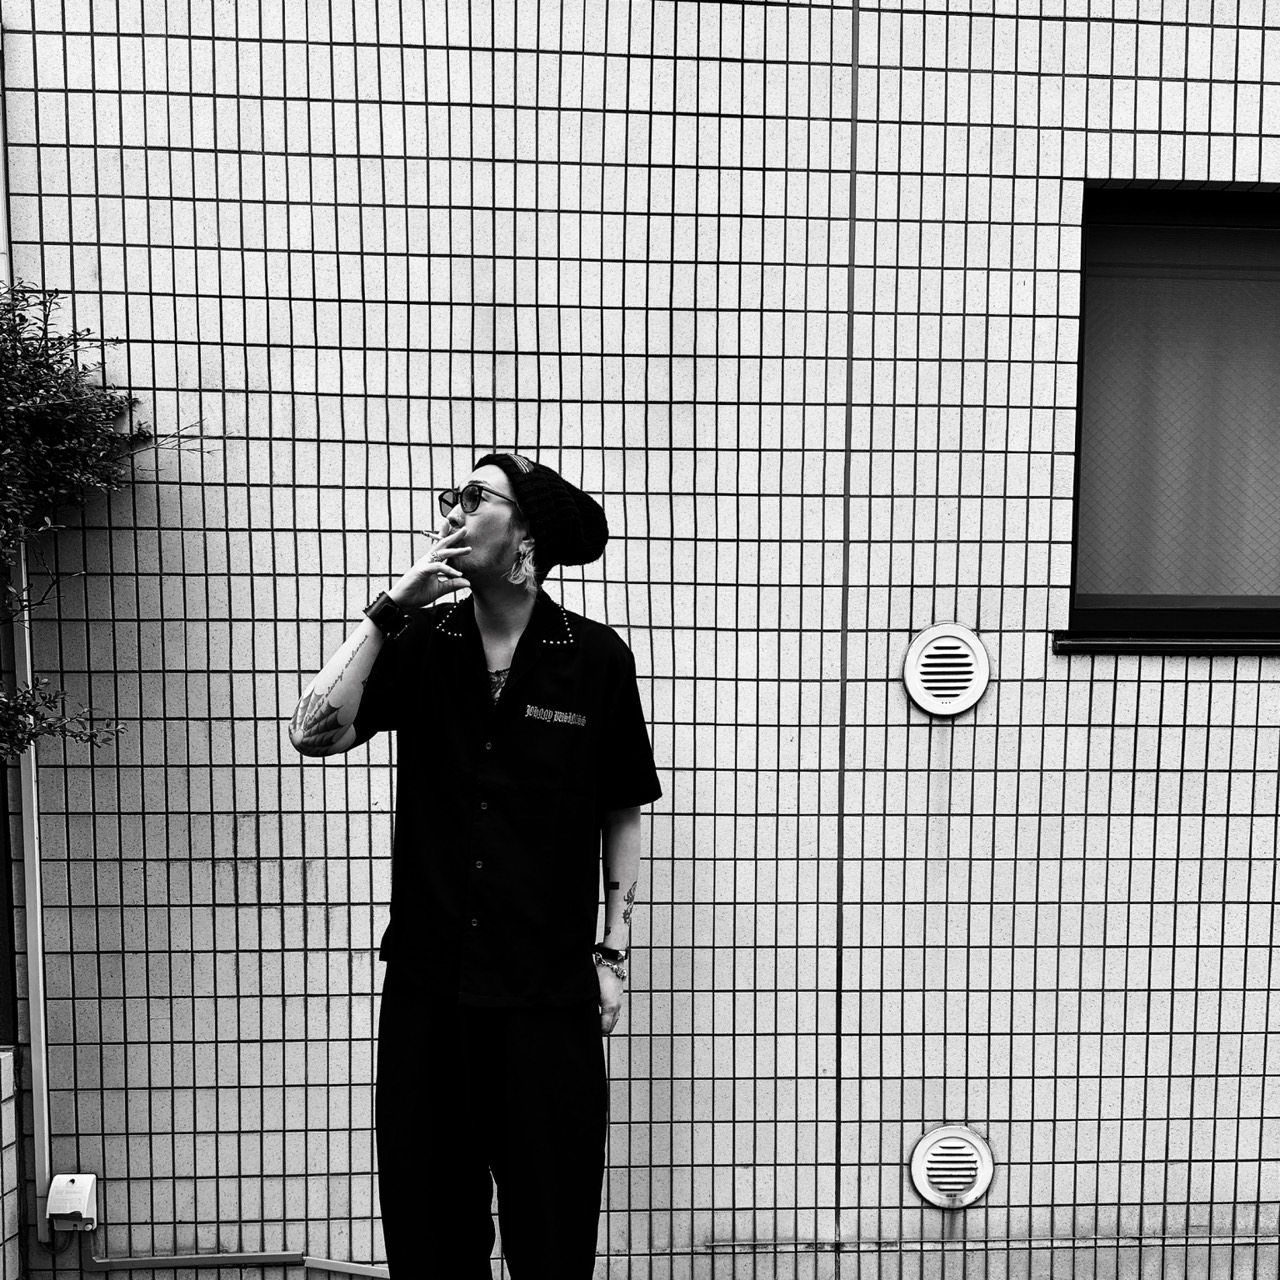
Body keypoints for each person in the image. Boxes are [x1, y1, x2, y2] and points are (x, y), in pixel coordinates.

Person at [288, 452, 661, 1279]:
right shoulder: (424, 640)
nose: (452, 511)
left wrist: (613, 955)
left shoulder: (593, 657)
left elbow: (621, 809)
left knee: (552, 1229)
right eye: (451, 496)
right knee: (429, 1232)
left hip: (545, 994)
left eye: (474, 497)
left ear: (525, 532)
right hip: (430, 990)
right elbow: (313, 732)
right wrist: (390, 610)